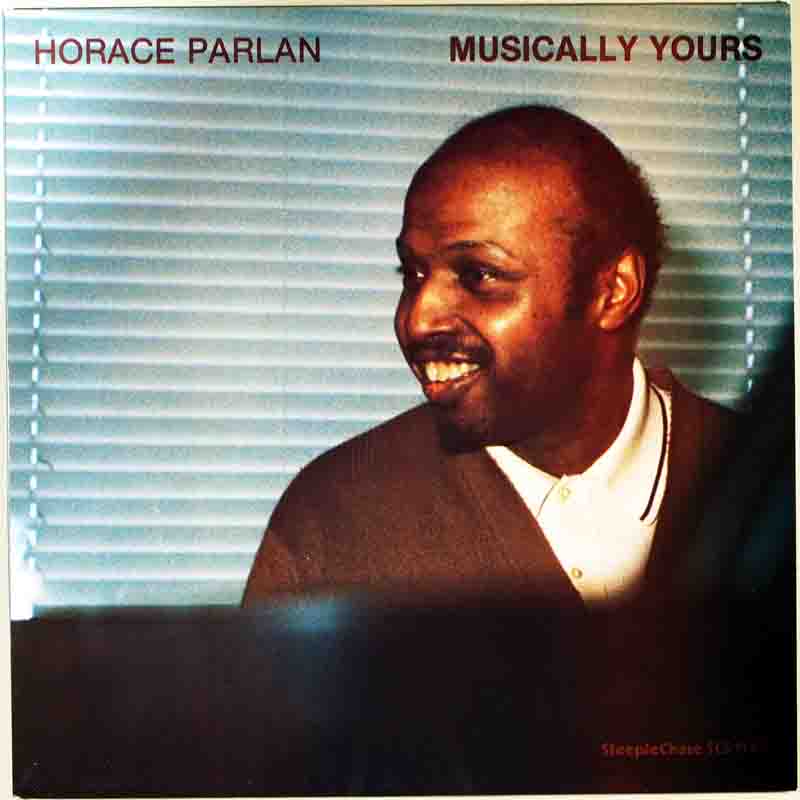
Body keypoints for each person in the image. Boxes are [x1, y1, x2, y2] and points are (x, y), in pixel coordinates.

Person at [243, 105, 739, 610]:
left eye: (479, 275)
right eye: (413, 274)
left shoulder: (767, 488)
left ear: (612, 292)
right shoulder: (333, 516)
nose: (418, 320)